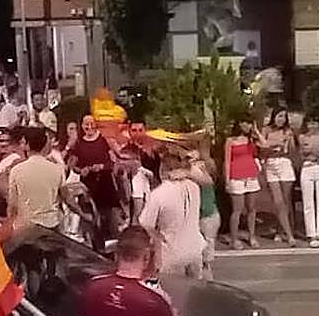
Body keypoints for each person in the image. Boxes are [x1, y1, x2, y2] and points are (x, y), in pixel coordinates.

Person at [139, 148, 206, 277]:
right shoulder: (194, 187)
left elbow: (145, 224)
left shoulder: (158, 194)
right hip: (195, 247)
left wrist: (157, 238)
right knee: (195, 288)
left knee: (171, 291)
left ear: (162, 169)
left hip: (171, 252)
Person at [7, 126, 73, 235]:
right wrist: (83, 214)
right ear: (45, 144)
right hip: (52, 226)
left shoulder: (16, 170)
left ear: (26, 145)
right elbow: (67, 198)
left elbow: (13, 205)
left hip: (26, 228)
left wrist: (10, 225)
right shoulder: (57, 169)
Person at [69, 114, 123, 238]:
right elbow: (73, 166)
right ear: (82, 126)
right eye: (86, 124)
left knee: (110, 221)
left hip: (105, 185)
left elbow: (113, 162)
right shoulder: (79, 144)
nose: (89, 127)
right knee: (90, 221)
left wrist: (102, 167)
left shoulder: (103, 140)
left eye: (91, 123)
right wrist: (82, 170)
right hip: (88, 186)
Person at [258, 107, 297, 246]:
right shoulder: (266, 130)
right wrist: (274, 144)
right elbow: (262, 147)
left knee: (285, 201)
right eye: (279, 116)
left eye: (284, 117)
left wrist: (289, 141)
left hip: (284, 163)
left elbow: (291, 151)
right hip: (271, 164)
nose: (282, 119)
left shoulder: (288, 131)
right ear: (274, 116)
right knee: (278, 201)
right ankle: (289, 235)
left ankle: (282, 230)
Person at [223, 116, 261, 249]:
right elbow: (227, 161)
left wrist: (256, 131)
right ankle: (234, 238)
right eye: (246, 122)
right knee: (237, 209)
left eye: (250, 123)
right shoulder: (230, 141)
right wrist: (227, 180)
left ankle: (252, 236)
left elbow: (265, 144)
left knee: (251, 208)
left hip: (251, 175)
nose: (248, 125)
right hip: (236, 176)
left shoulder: (251, 139)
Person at [298, 115, 319, 247]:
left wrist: (311, 149)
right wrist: (311, 150)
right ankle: (311, 233)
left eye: (314, 123)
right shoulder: (302, 137)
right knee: (308, 202)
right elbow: (302, 153)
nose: (312, 126)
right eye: (309, 123)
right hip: (307, 167)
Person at [191, 143, 220, 277]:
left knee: (206, 249)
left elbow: (208, 181)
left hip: (207, 213)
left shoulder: (205, 168)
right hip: (194, 215)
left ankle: (207, 278)